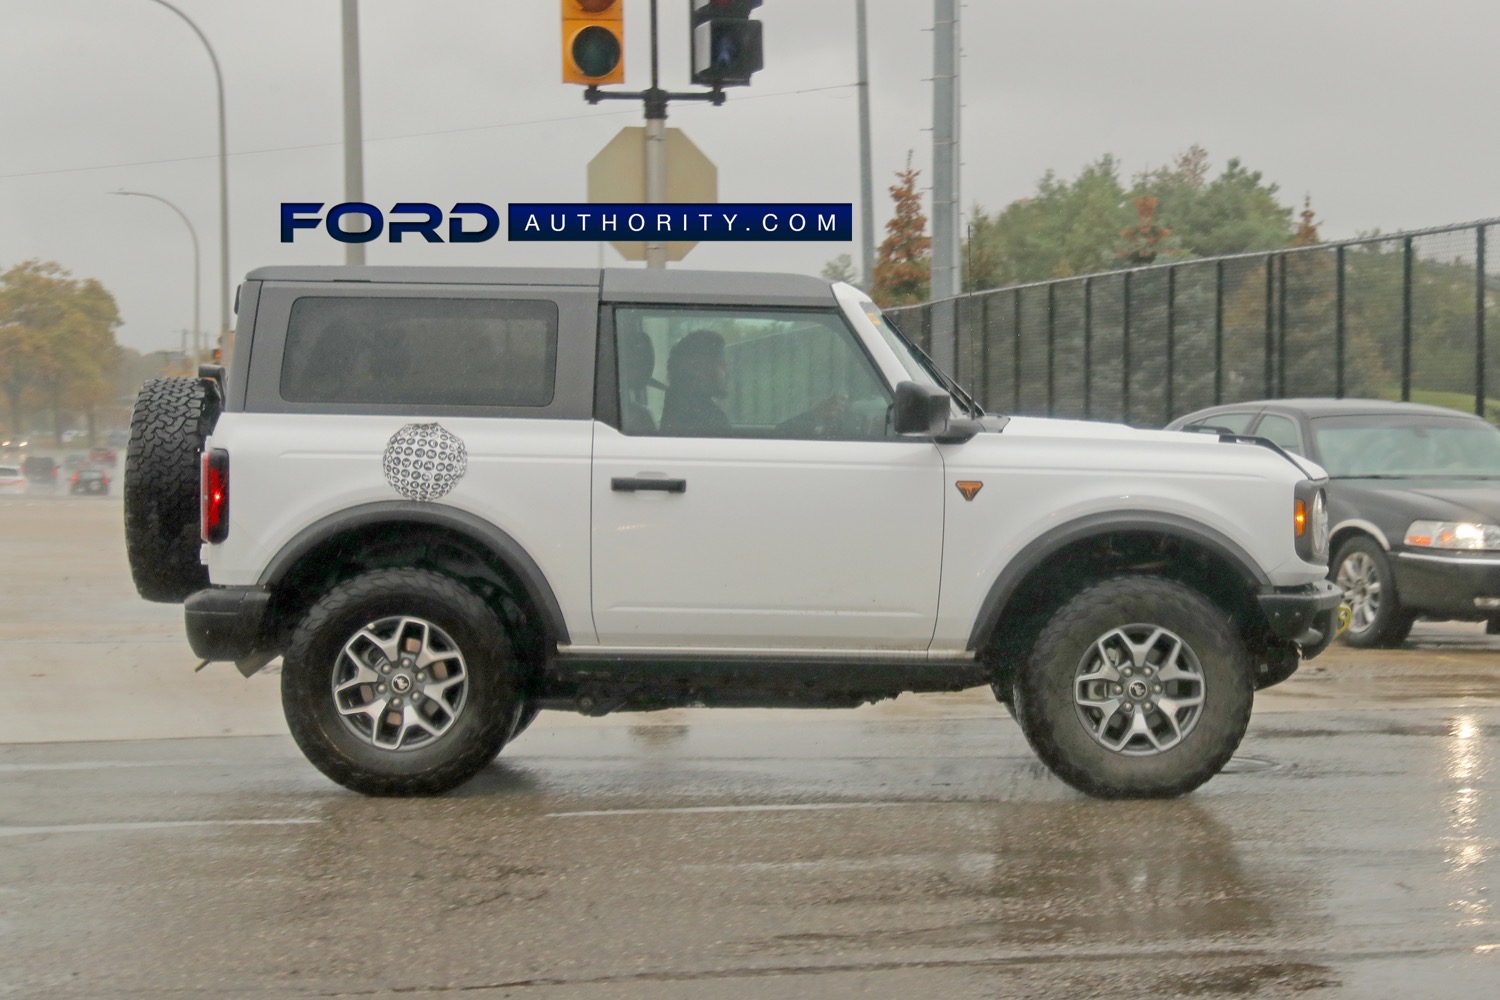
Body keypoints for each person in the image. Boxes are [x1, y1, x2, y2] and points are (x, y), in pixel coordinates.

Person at [660, 329, 732, 436]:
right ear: (698, 369)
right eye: (721, 364)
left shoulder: (678, 408)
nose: (727, 372)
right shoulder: (700, 420)